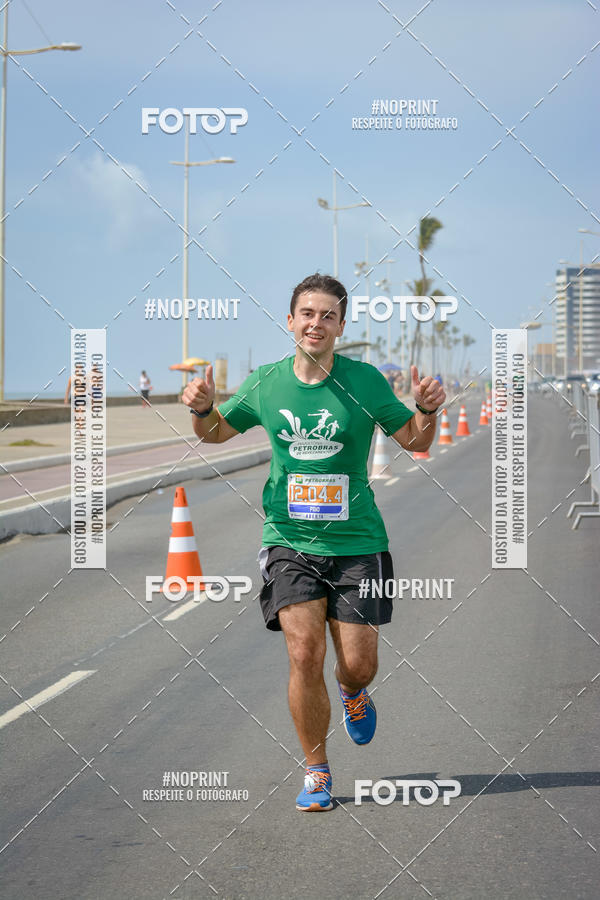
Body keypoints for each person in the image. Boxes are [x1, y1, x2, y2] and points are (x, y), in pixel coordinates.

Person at [182, 273, 445, 812]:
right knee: (304, 652)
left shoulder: (365, 382)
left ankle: (352, 691)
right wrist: (203, 408)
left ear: (341, 326)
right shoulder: (266, 382)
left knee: (359, 664)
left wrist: (426, 410)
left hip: (357, 542)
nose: (316, 323)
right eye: (307, 313)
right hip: (289, 540)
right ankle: (317, 769)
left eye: (328, 315)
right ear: (290, 320)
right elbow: (214, 434)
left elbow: (415, 441)